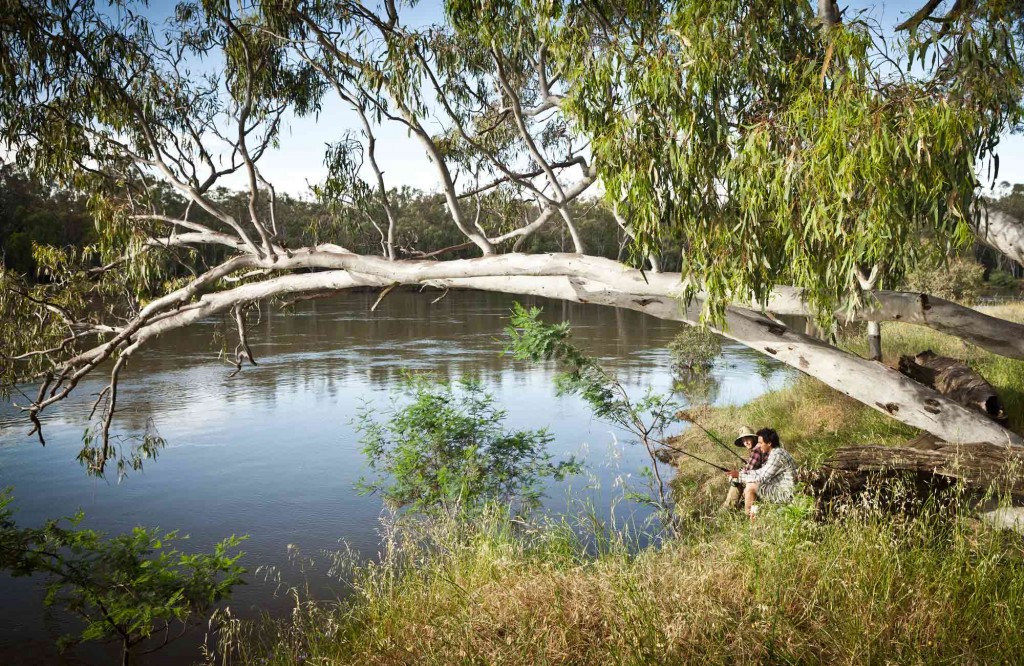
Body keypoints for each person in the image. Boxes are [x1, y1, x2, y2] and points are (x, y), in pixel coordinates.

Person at [726, 427, 797, 519]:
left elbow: (762, 476)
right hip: (782, 488)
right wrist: (741, 475)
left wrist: (740, 476)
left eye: (760, 443)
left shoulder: (777, 455)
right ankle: (753, 516)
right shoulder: (775, 453)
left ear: (769, 443)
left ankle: (749, 517)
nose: (758, 446)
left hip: (787, 493)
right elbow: (761, 471)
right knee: (752, 486)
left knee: (751, 487)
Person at [721, 426, 766, 510]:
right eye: (743, 440)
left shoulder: (757, 449)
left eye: (747, 439)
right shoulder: (760, 447)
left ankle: (727, 510)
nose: (745, 442)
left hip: (766, 483)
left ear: (753, 438)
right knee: (743, 486)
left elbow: (748, 472)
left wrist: (735, 476)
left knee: (736, 482)